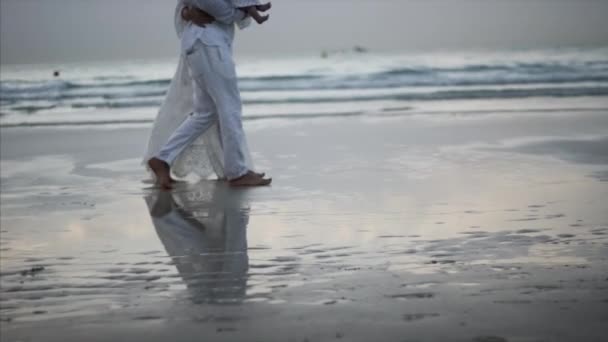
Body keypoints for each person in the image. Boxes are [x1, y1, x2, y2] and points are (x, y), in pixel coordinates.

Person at [143, 0, 271, 189]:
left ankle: (163, 159)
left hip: (204, 45)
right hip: (208, 45)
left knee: (206, 113)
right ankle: (237, 173)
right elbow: (221, 11)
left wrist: (241, 10)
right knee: (230, 107)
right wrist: (241, 13)